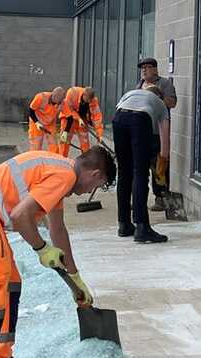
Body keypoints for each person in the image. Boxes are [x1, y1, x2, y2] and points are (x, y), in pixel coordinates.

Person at [0, 146, 116, 358]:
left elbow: (58, 230)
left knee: (11, 284)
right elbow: (21, 216)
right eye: (97, 186)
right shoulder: (64, 176)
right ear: (96, 175)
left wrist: (76, 280)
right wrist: (41, 248)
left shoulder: (61, 171)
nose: (90, 191)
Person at [113, 86, 170, 243]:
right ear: (159, 96)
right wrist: (162, 163)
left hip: (119, 118)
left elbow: (118, 111)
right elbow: (164, 140)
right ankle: (142, 227)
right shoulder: (160, 104)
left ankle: (124, 224)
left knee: (124, 172)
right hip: (140, 119)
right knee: (140, 173)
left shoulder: (130, 93)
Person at [135, 57, 177, 212]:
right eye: (142, 68)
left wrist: (156, 96)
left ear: (155, 69)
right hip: (141, 131)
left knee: (159, 165)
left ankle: (161, 197)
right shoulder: (139, 85)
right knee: (141, 165)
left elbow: (172, 103)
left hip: (158, 131)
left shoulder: (164, 84)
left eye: (147, 67)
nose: (144, 70)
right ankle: (140, 198)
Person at [57, 86, 103, 157]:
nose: (88, 102)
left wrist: (99, 134)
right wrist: (78, 118)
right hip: (68, 118)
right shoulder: (72, 92)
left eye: (90, 101)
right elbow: (69, 109)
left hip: (83, 120)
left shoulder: (93, 101)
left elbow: (97, 117)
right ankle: (61, 159)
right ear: (84, 95)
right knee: (64, 140)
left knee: (85, 142)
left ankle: (85, 161)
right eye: (87, 100)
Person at [27, 87, 66, 152]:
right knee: (36, 146)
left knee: (54, 146)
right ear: (54, 95)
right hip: (37, 122)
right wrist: (37, 123)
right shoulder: (41, 97)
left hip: (50, 124)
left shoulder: (62, 102)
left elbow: (69, 116)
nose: (59, 103)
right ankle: (36, 161)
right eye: (59, 100)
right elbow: (31, 110)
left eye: (61, 100)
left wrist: (65, 132)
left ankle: (53, 160)